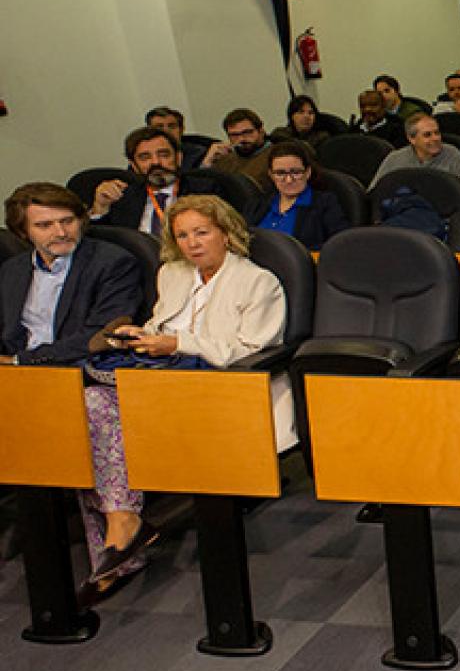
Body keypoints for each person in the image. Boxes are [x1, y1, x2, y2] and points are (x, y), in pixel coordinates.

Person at [80, 195, 290, 599]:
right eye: (182, 235)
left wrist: (177, 343)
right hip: (159, 384)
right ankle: (119, 530)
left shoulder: (258, 281)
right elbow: (160, 321)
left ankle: (117, 542)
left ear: (226, 235)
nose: (192, 243)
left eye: (202, 232)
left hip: (219, 386)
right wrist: (141, 337)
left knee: (99, 416)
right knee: (87, 412)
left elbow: (249, 349)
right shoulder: (173, 274)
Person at [2, 182, 142, 366]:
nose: (61, 233)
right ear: (23, 232)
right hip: (14, 372)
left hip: (76, 369)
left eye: (67, 221)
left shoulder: (114, 263)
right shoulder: (12, 269)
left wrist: (19, 360)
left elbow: (101, 335)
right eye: (45, 225)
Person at [92, 127, 226, 235]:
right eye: (145, 157)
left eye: (164, 155)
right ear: (134, 166)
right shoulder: (124, 197)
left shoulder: (204, 190)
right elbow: (104, 244)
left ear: (179, 158)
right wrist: (100, 208)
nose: (156, 162)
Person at [247, 140, 351, 250]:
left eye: (295, 172)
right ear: (271, 175)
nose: (288, 180)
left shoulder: (325, 203)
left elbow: (341, 244)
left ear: (308, 172)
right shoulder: (258, 203)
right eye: (280, 173)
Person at [370, 113, 460, 188]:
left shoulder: (452, 154)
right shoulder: (395, 158)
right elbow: (375, 191)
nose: (435, 138)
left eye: (437, 133)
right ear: (411, 139)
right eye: (427, 135)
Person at [204, 108, 272, 185]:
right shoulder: (224, 159)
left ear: (261, 131)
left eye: (247, 132)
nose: (241, 139)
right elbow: (203, 188)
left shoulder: (276, 155)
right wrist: (207, 163)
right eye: (234, 135)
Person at [270, 95, 338, 149]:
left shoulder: (322, 137)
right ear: (292, 116)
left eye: (311, 113)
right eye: (301, 112)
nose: (306, 116)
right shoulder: (281, 134)